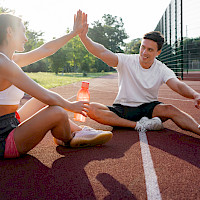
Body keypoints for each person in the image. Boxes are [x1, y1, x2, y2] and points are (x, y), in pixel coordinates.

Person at [0, 11, 113, 159]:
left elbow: (46, 49)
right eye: (23, 32)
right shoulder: (3, 63)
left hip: (10, 120)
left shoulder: (10, 59)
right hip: (3, 139)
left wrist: (73, 33)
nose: (26, 39)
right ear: (9, 31)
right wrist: (71, 106)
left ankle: (78, 131)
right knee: (58, 111)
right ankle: (67, 138)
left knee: (48, 104)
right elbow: (45, 95)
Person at [78, 12, 200, 135]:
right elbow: (102, 52)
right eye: (143, 47)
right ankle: (138, 125)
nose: (144, 52)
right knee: (91, 108)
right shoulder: (126, 61)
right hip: (122, 108)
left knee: (170, 109)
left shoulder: (162, 69)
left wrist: (195, 95)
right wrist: (84, 38)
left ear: (158, 52)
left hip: (149, 108)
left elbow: (177, 85)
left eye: (150, 50)